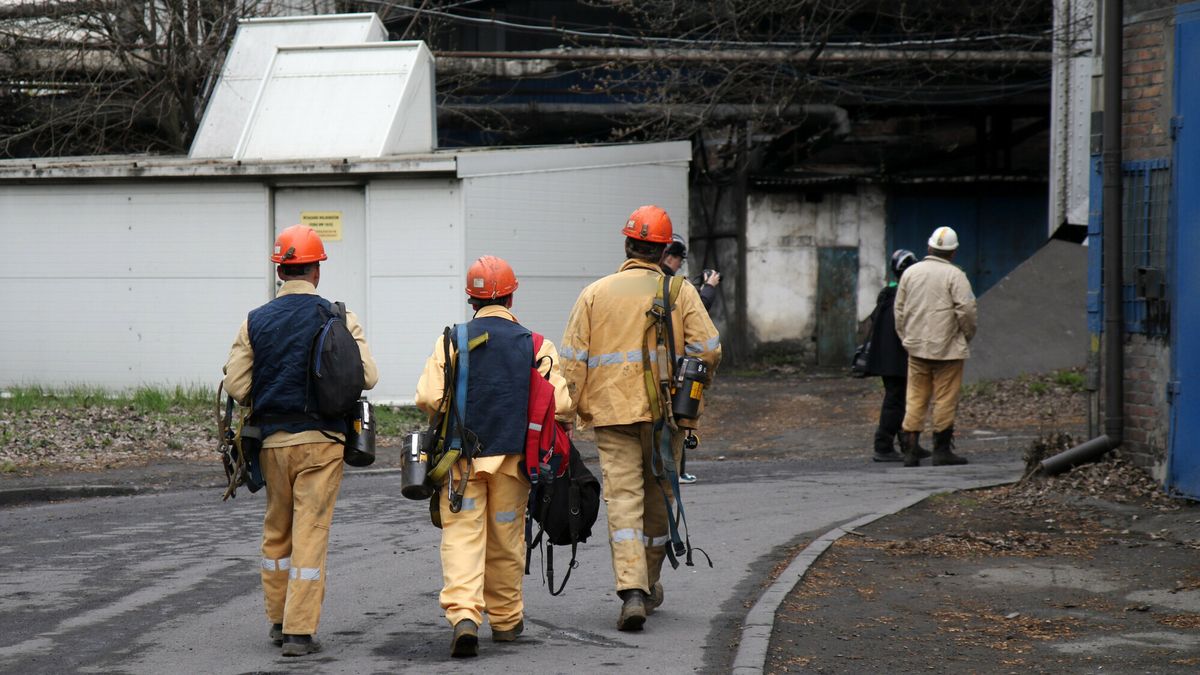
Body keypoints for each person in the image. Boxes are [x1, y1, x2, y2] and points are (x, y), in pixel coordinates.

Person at [561, 205, 721, 631]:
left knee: (624, 501)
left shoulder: (595, 294)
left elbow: (572, 361)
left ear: (628, 244)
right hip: (665, 415)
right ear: (662, 249)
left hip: (612, 416)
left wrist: (566, 414)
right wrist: (691, 395)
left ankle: (631, 591)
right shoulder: (679, 291)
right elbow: (708, 347)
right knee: (660, 499)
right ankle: (648, 584)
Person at [222, 224, 379, 657]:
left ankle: (277, 619)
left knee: (277, 531)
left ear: (280, 270)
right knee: (311, 530)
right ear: (317, 271)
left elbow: (236, 385)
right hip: (324, 442)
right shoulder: (339, 316)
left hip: (272, 443)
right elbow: (368, 376)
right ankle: (299, 631)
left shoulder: (255, 319)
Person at [415, 255, 571, 658]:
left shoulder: (452, 339)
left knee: (462, 537)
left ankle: (465, 617)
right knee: (505, 539)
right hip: (515, 464)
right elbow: (563, 404)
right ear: (512, 296)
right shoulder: (537, 345)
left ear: (472, 300)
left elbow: (429, 397)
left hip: (460, 462)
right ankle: (505, 622)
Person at [894, 226, 977, 467]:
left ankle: (910, 450)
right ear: (953, 252)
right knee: (945, 399)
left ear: (929, 247)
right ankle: (941, 451)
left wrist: (906, 337)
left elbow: (899, 310)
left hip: (916, 347)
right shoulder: (956, 276)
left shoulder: (911, 273)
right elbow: (967, 310)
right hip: (948, 349)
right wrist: (966, 335)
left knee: (915, 397)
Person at [659, 233, 721, 483]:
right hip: (672, 373)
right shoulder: (675, 286)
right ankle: (676, 473)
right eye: (679, 260)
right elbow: (707, 348)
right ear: (669, 256)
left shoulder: (613, 288)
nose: (678, 266)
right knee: (677, 420)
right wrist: (708, 289)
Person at [863, 249, 930, 463]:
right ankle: (883, 446)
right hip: (898, 358)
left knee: (902, 400)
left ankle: (908, 444)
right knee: (896, 401)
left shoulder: (887, 294)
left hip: (888, 358)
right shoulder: (902, 296)